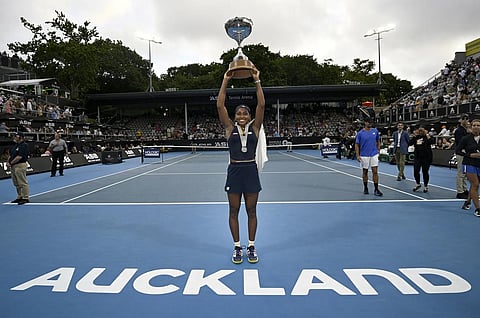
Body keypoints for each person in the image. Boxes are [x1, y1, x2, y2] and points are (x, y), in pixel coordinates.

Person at [217, 66, 265, 264]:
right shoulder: (229, 128)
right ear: (235, 117)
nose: (242, 115)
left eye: (245, 113)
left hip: (251, 171)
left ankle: (251, 246)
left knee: (252, 211)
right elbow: (220, 106)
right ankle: (237, 247)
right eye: (239, 113)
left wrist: (256, 80)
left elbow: (261, 105)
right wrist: (225, 81)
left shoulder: (255, 127)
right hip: (235, 171)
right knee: (233, 211)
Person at [456, 119, 480, 216]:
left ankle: (467, 202)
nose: (476, 127)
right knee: (475, 184)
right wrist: (470, 155)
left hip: (479, 164)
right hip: (469, 163)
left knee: (474, 185)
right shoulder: (466, 139)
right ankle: (478, 208)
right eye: (474, 125)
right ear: (471, 127)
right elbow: (458, 151)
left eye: (478, 125)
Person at [355, 117, 383, 196]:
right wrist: (357, 155)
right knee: (365, 172)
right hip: (364, 155)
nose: (370, 124)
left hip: (374, 154)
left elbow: (378, 140)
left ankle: (376, 189)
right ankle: (366, 188)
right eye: (368, 122)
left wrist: (378, 150)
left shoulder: (375, 131)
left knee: (375, 172)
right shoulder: (360, 133)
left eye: (371, 122)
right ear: (365, 123)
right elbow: (357, 145)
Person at [409, 126, 435, 193]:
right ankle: (418, 184)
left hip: (426, 157)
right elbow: (410, 143)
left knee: (425, 172)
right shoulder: (416, 138)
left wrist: (427, 135)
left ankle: (426, 186)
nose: (420, 132)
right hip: (418, 157)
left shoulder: (426, 137)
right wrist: (414, 136)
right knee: (416, 171)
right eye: (419, 131)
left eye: (421, 131)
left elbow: (432, 142)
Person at [6, 132, 30, 205]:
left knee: (22, 182)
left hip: (20, 165)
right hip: (13, 166)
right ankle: (19, 196)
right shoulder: (16, 145)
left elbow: (19, 157)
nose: (15, 137)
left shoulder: (24, 145)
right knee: (16, 183)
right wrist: (8, 162)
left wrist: (11, 163)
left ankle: (25, 197)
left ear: (21, 137)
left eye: (16, 136)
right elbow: (11, 155)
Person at [454, 114, 470, 199]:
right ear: (461, 120)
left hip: (465, 152)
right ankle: (460, 191)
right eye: (464, 119)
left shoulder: (465, 130)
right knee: (461, 172)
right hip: (461, 152)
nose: (466, 121)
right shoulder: (459, 131)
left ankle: (464, 189)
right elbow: (460, 142)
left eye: (467, 119)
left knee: (465, 173)